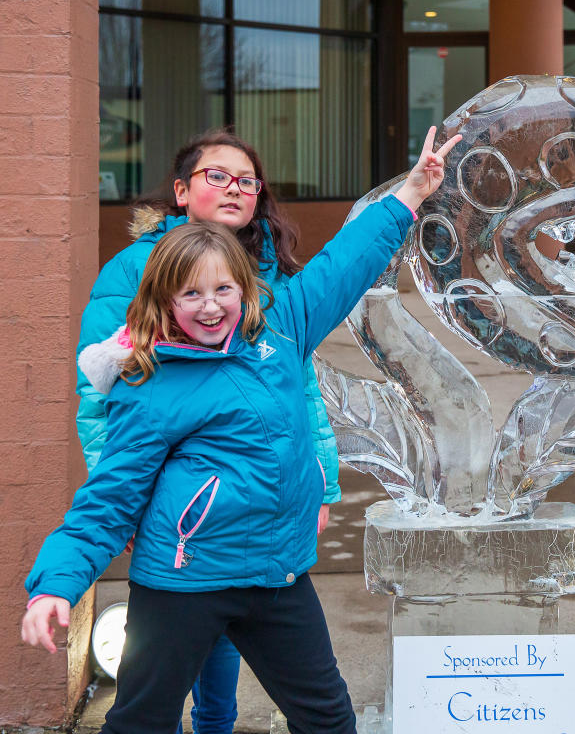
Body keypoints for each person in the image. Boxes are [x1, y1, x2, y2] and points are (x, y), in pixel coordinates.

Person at [21, 128, 461, 734]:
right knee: (141, 721)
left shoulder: (283, 326)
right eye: (191, 294)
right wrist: (57, 584)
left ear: (246, 289)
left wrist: (410, 193)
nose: (210, 306)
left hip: (277, 576)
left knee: (328, 719)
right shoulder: (150, 385)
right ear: (164, 302)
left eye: (223, 290)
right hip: (183, 581)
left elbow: (344, 261)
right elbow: (107, 499)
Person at [75, 130, 341, 733]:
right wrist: (128, 506)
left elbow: (298, 390)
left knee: (235, 610)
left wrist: (320, 482)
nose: (234, 189)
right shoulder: (135, 269)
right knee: (182, 629)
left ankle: (216, 723)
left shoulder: (267, 270)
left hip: (253, 495)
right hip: (175, 498)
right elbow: (100, 399)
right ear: (181, 191)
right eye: (216, 176)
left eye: (247, 181)